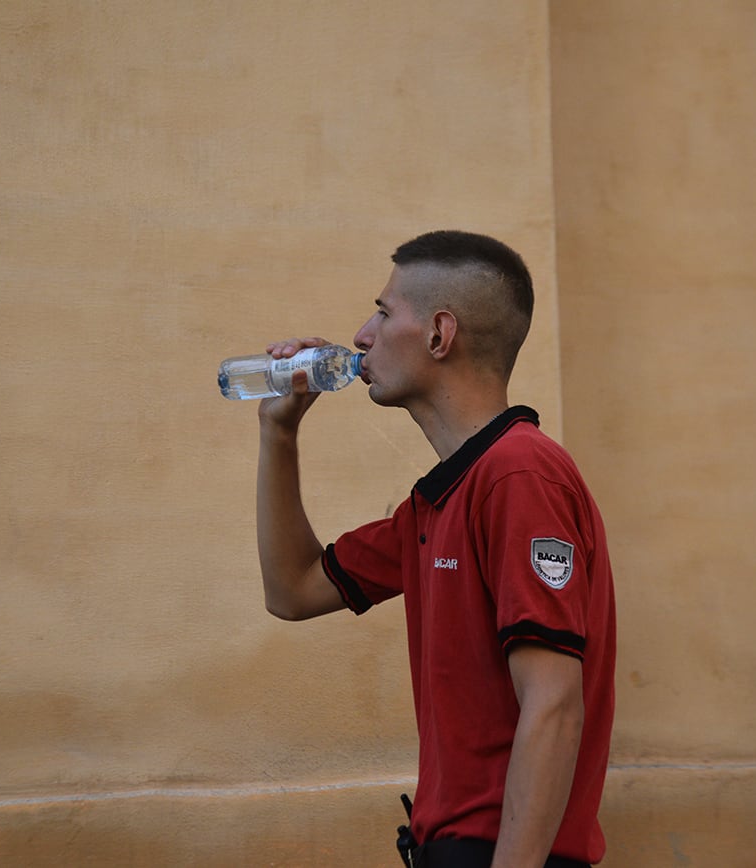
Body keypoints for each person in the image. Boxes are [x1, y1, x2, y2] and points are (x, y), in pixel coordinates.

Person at [254, 230, 616, 868]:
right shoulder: (439, 501)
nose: (361, 336)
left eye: (384, 312)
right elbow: (293, 589)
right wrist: (279, 432)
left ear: (440, 335)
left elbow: (554, 703)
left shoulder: (518, 477)